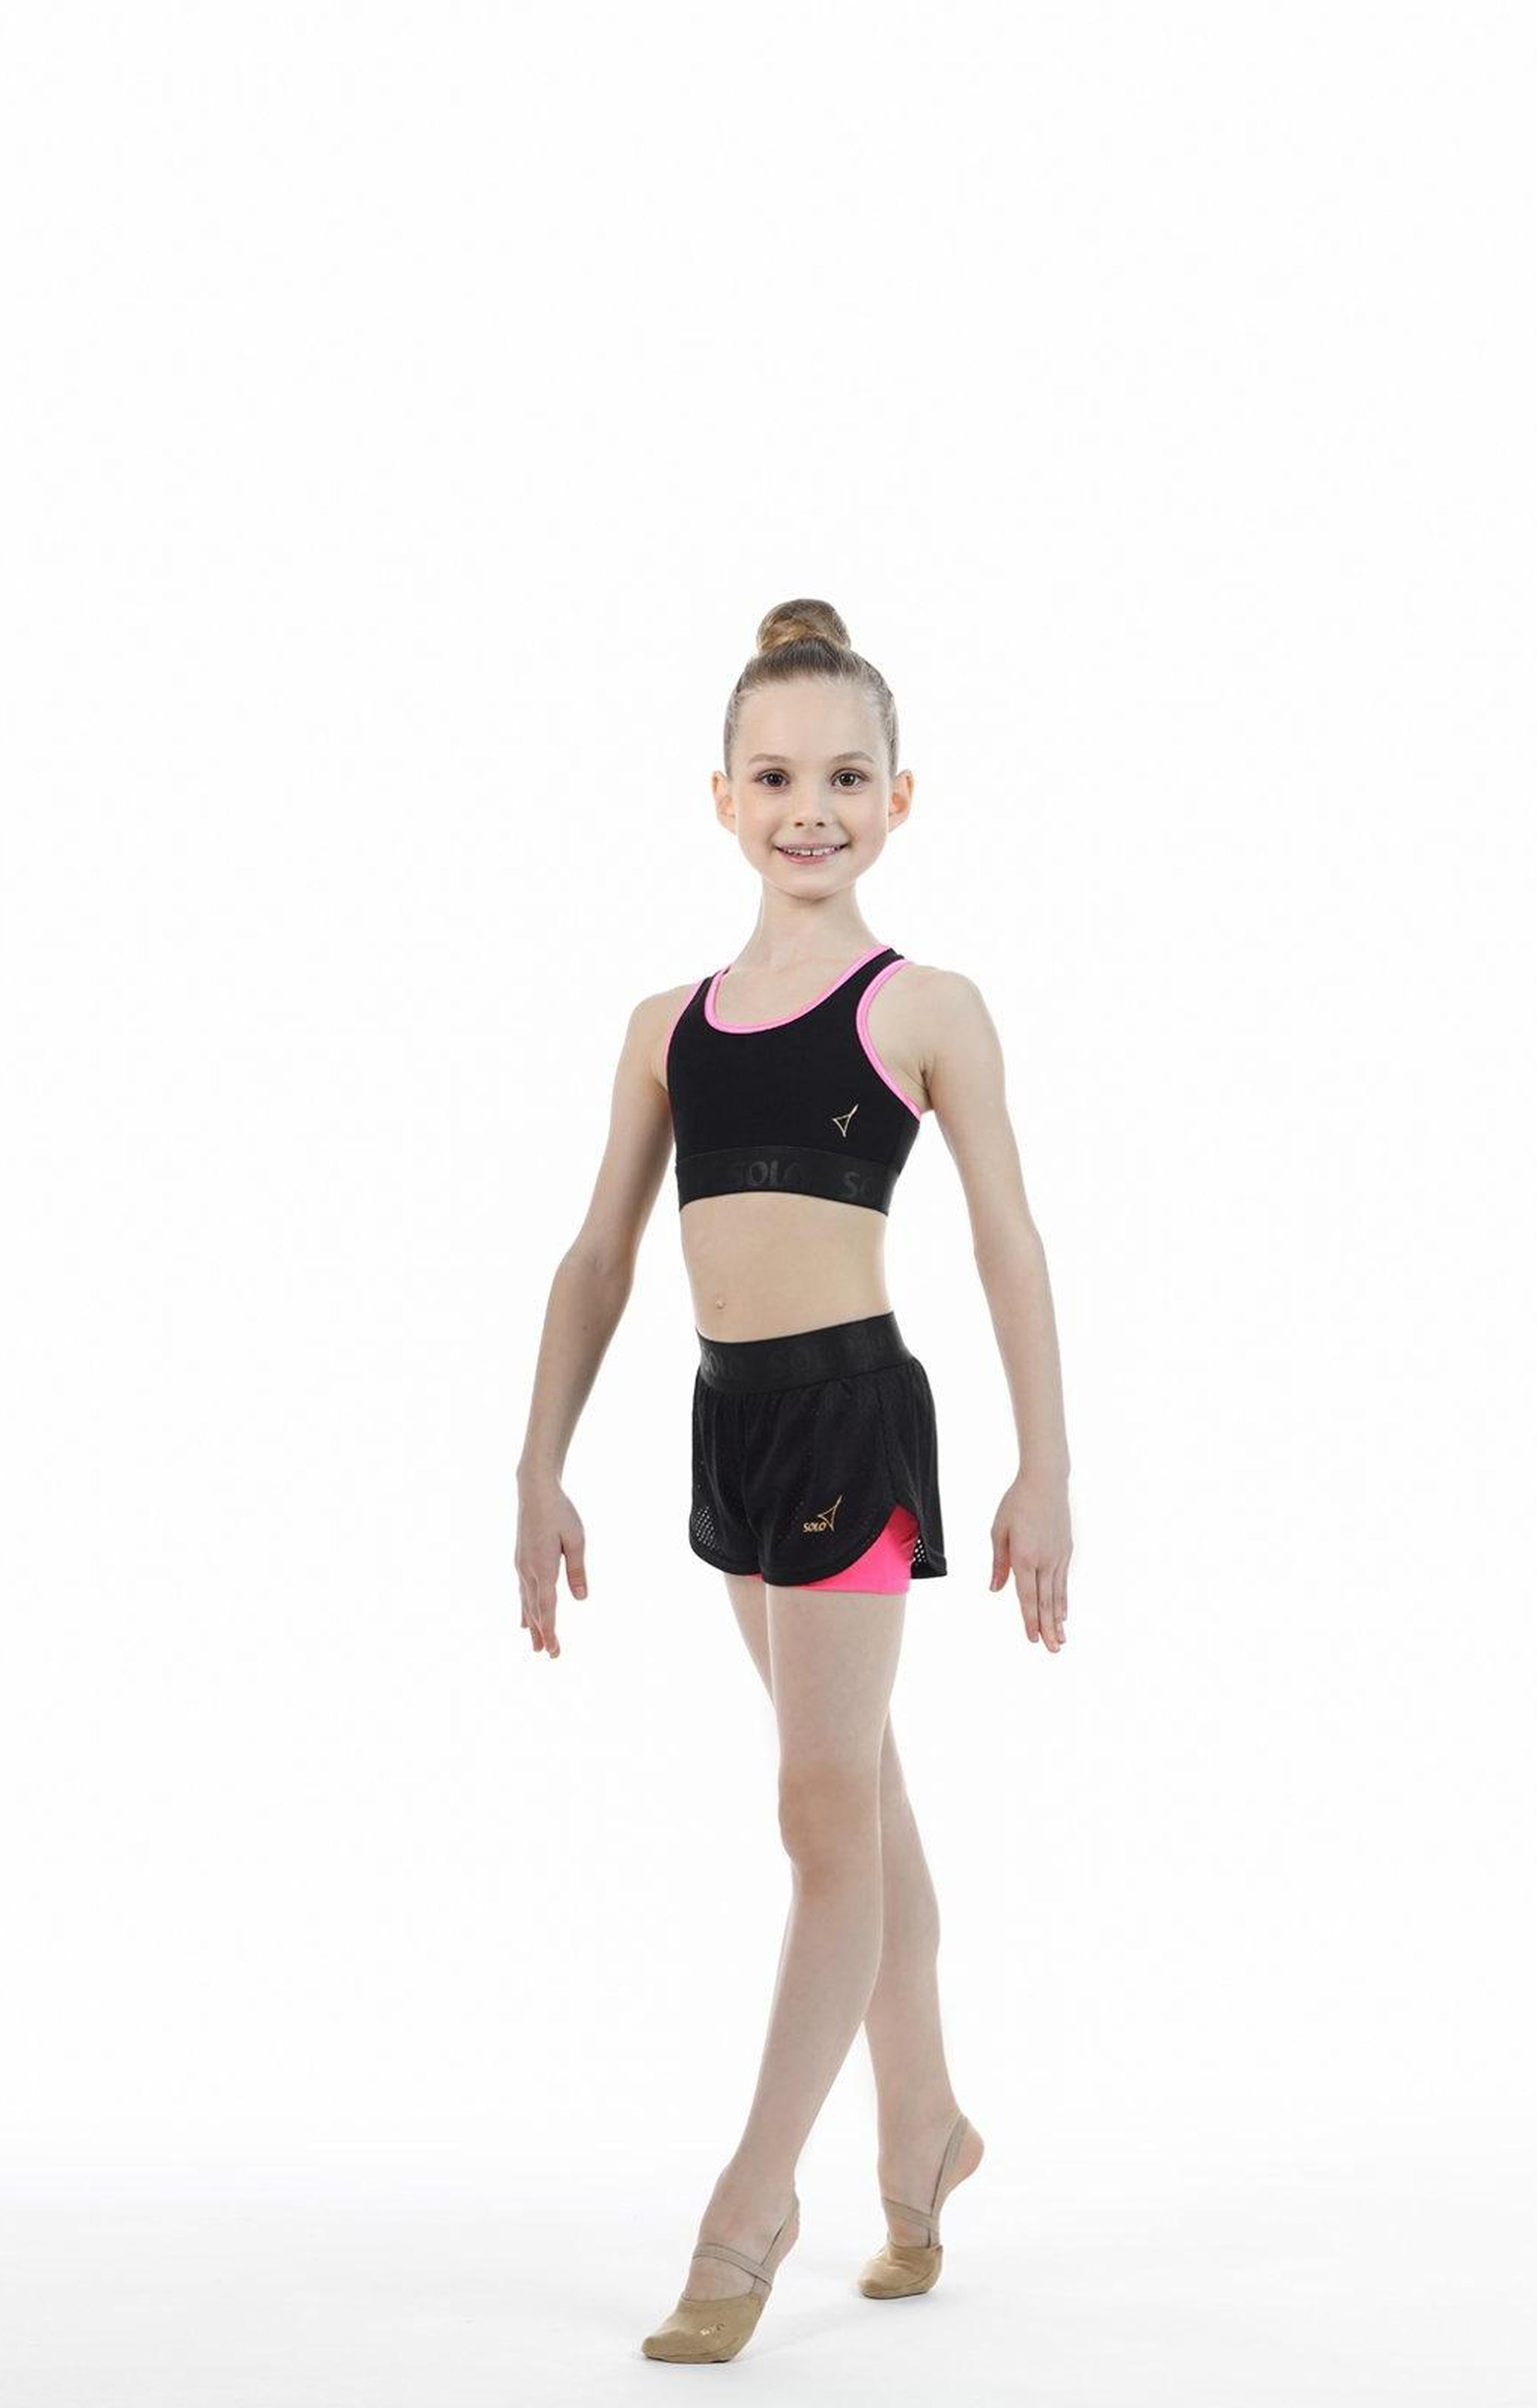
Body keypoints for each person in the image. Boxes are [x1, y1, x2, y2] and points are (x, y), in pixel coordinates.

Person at [510, 597, 1073, 2362]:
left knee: (820, 1821)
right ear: (722, 798)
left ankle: (751, 2209)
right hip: (729, 1423)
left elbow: (1008, 1241)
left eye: (845, 776)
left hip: (848, 1425)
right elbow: (599, 1256)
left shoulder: (928, 1008)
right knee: (864, 1800)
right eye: (774, 777)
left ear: (899, 798)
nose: (808, 807)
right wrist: (538, 1464)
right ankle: (928, 2132)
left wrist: (1046, 1467)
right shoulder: (666, 1024)